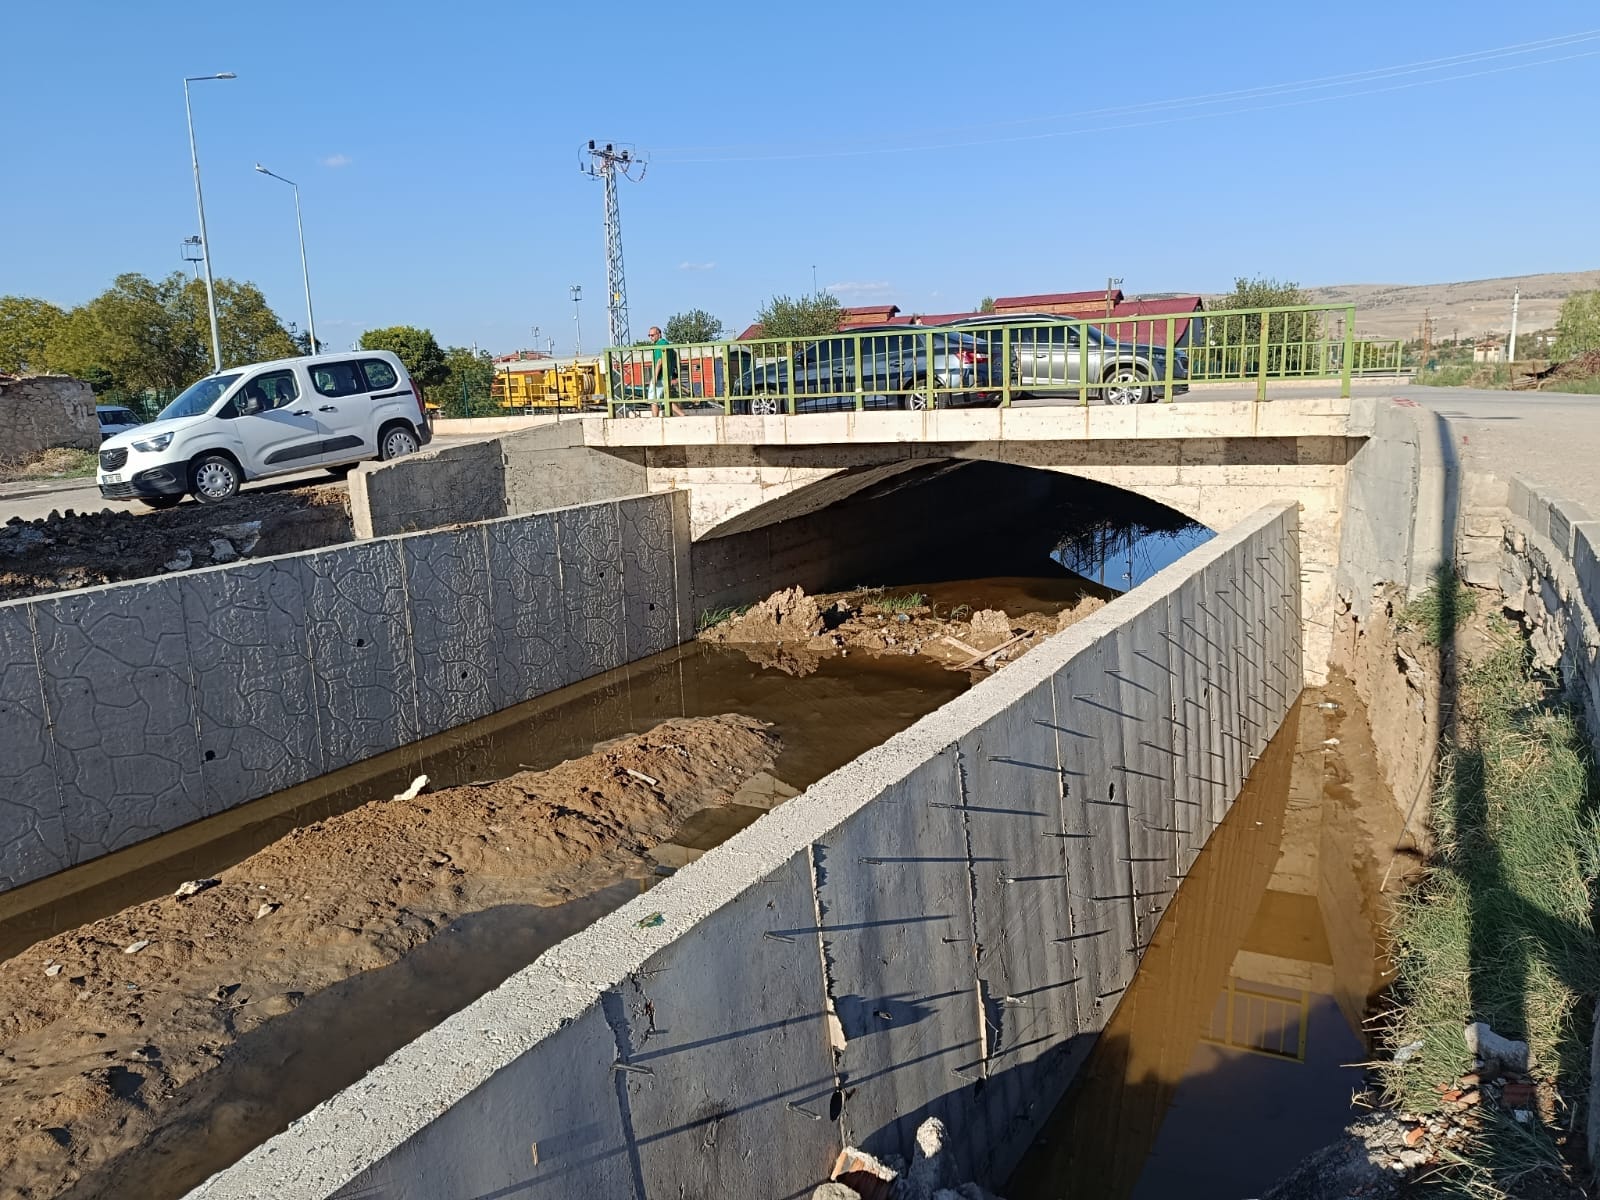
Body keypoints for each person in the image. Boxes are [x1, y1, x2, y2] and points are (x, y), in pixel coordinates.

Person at [647, 325, 683, 416]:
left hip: (660, 377)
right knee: (665, 400)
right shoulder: (667, 344)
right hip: (667, 376)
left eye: (652, 335)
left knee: (653, 399)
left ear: (659, 334)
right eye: (649, 335)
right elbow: (675, 356)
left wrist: (655, 376)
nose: (651, 337)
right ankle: (683, 415)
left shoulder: (660, 344)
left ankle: (654, 419)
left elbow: (659, 361)